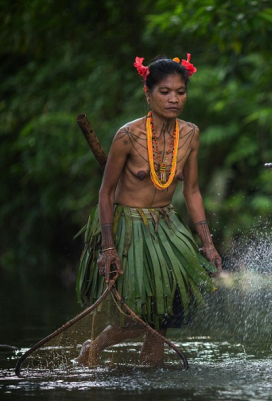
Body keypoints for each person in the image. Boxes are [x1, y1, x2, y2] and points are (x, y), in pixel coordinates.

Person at [75, 54, 222, 367]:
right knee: (137, 316)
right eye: (164, 92)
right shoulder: (128, 136)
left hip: (167, 229)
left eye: (180, 92)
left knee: (166, 314)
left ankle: (150, 379)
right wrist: (108, 246)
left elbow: (192, 190)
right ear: (148, 93)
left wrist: (207, 243)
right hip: (129, 229)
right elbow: (106, 192)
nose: (173, 99)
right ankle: (92, 349)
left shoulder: (191, 135)